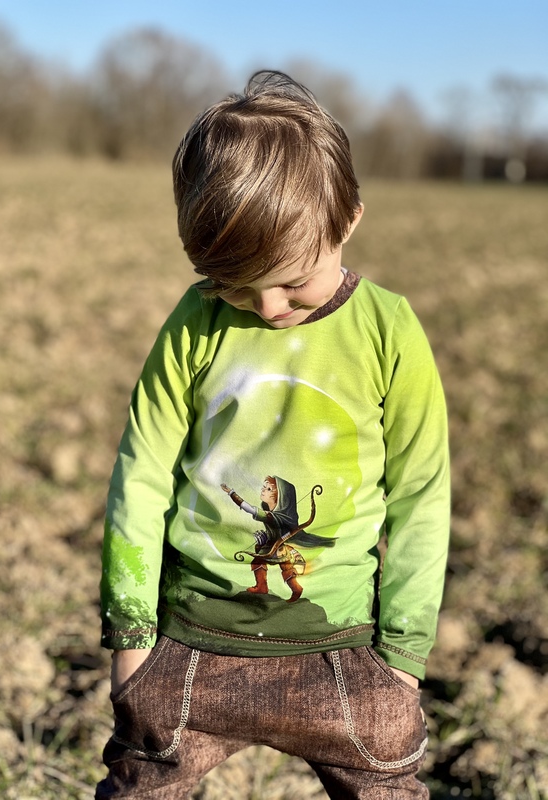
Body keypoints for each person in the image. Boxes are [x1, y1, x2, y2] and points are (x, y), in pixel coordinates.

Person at [96, 71, 450, 800]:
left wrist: (404, 657)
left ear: (347, 219)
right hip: (187, 646)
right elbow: (142, 473)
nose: (265, 307)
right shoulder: (195, 323)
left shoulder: (388, 331)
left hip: (347, 653)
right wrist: (131, 638)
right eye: (233, 285)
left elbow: (422, 496)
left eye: (293, 281)